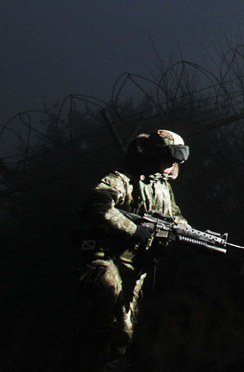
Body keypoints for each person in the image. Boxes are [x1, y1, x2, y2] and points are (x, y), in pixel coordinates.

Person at [76, 129, 190, 371]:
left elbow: (175, 217)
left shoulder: (162, 188)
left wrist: (191, 235)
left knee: (123, 333)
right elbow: (97, 205)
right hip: (107, 259)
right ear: (153, 155)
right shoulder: (122, 179)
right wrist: (133, 229)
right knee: (102, 323)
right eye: (167, 160)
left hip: (136, 267)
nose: (171, 166)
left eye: (174, 162)